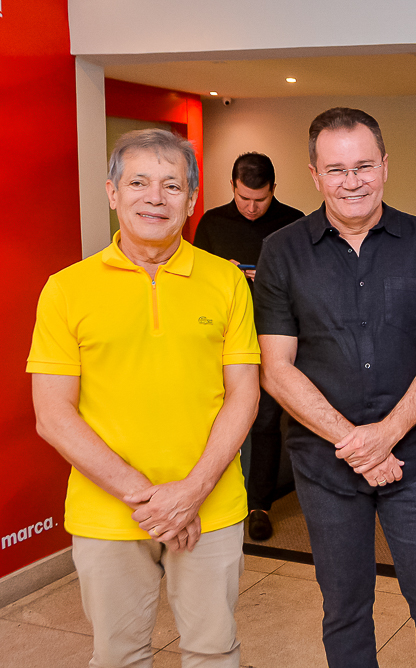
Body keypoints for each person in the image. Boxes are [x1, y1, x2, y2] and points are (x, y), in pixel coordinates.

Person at [27, 129, 260, 667]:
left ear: (191, 199)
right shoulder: (66, 289)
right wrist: (155, 501)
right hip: (107, 513)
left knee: (214, 652)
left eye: (171, 185)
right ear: (112, 192)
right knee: (119, 657)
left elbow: (243, 395)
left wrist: (192, 492)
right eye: (138, 182)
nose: (155, 197)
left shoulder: (227, 282)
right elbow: (52, 414)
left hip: (212, 506)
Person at [253, 107, 416, 668]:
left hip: (415, 462)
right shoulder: (282, 251)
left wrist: (386, 434)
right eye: (336, 169)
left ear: (385, 166)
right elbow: (276, 368)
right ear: (314, 174)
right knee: (345, 609)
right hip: (325, 467)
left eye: (364, 166)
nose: (352, 181)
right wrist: (356, 443)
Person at [194, 151, 304, 541]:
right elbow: (193, 285)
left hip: (273, 337)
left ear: (274, 189)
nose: (252, 207)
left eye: (260, 199)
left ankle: (259, 504)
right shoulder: (212, 223)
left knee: (266, 422)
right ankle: (210, 496)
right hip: (222, 338)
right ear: (232, 187)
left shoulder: (294, 224)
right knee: (217, 419)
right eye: (244, 198)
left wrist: (269, 278)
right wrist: (222, 275)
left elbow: (311, 287)